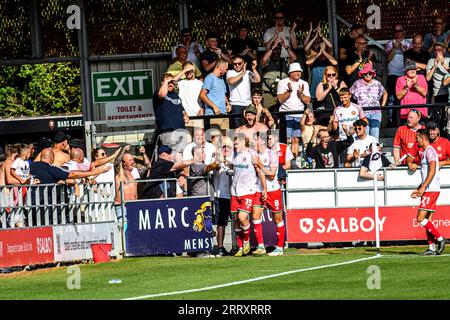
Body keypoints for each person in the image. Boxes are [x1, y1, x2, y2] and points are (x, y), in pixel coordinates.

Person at [409, 129, 446, 255]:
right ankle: (431, 248)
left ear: (423, 138)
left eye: (417, 138)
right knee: (427, 220)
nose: (416, 141)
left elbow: (432, 171)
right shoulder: (425, 152)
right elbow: (426, 174)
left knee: (420, 218)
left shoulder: (430, 151)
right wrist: (420, 188)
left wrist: (424, 187)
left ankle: (441, 239)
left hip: (431, 190)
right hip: (429, 189)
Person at [230, 136, 266, 257]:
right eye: (234, 144)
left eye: (237, 144)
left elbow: (260, 172)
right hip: (235, 192)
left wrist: (265, 189)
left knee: (242, 217)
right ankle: (240, 247)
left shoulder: (251, 155)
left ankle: (246, 240)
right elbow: (232, 169)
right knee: (236, 221)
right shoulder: (234, 156)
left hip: (248, 191)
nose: (235, 146)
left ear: (244, 143)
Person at [252, 133, 285, 256]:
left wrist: (260, 164)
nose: (254, 143)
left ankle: (280, 247)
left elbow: (271, 175)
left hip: (273, 190)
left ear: (262, 142)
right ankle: (261, 246)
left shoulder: (272, 155)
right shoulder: (254, 155)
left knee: (278, 219)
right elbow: (259, 173)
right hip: (259, 189)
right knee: (255, 216)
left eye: (255, 141)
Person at [277, 62, 311, 159]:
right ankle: (284, 161)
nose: (298, 73)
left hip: (299, 115)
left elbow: (308, 100)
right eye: (295, 71)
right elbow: (280, 99)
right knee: (285, 139)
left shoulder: (304, 83)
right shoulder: (282, 82)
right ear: (290, 72)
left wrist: (300, 94)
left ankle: (293, 161)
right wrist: (289, 92)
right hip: (285, 114)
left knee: (296, 139)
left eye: (299, 71)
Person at [113, 145, 151, 229]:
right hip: (122, 206)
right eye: (130, 160)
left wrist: (143, 153)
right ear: (123, 163)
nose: (133, 162)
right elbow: (116, 163)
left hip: (134, 205)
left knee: (135, 228)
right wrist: (123, 151)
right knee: (124, 228)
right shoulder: (120, 173)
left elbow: (148, 166)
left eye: (133, 159)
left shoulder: (135, 171)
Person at [349, 63, 387, 141]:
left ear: (372, 74)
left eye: (370, 73)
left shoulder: (377, 83)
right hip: (363, 112)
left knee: (375, 134)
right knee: (364, 134)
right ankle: (365, 153)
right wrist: (353, 107)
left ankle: (375, 152)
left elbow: (385, 93)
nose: (368, 75)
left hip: (376, 112)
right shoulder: (357, 83)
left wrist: (382, 106)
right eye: (365, 73)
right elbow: (349, 94)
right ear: (362, 74)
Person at [154, 73, 190, 152]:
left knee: (183, 156)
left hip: (181, 130)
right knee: (172, 158)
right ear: (162, 83)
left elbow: (181, 108)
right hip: (168, 131)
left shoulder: (176, 95)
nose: (170, 84)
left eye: (172, 82)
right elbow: (162, 95)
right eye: (168, 82)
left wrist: (185, 114)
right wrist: (166, 82)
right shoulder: (158, 92)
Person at [260, 35, 297, 109]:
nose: (277, 51)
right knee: (268, 115)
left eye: (279, 49)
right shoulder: (268, 61)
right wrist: (273, 46)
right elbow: (264, 59)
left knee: (282, 115)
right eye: (275, 49)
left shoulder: (284, 60)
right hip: (268, 94)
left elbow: (294, 58)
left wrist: (286, 47)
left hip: (282, 93)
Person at [304, 21, 338, 100]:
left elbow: (334, 61)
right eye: (316, 43)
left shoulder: (328, 54)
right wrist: (315, 37)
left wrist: (321, 36)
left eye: (320, 43)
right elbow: (307, 56)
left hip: (327, 82)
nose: (318, 45)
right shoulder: (312, 54)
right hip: (315, 83)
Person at [212, 136, 234, 256]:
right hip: (221, 195)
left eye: (228, 147)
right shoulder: (216, 159)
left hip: (235, 194)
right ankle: (220, 247)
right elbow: (215, 166)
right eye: (223, 147)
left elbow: (234, 167)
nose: (226, 149)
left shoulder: (234, 159)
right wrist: (220, 161)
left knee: (237, 221)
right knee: (221, 222)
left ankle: (237, 246)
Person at [226, 55, 261, 129]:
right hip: (236, 105)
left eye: (239, 63)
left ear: (244, 63)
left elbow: (257, 80)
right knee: (237, 130)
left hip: (248, 105)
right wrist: (243, 72)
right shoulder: (230, 72)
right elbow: (231, 82)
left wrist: (254, 69)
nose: (237, 65)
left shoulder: (248, 72)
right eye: (235, 64)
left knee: (249, 129)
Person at [385, 24, 412, 109]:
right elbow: (388, 59)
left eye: (399, 31)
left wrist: (402, 48)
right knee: (392, 98)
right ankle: (391, 121)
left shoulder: (409, 44)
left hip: (405, 74)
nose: (397, 33)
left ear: (403, 31)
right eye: (395, 31)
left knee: (404, 96)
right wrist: (394, 49)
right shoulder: (389, 44)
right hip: (392, 74)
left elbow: (410, 59)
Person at [200, 59, 232, 131]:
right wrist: (214, 107)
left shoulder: (221, 79)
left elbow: (223, 93)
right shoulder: (209, 78)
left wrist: (228, 103)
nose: (226, 71)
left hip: (224, 113)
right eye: (226, 69)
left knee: (226, 137)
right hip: (213, 114)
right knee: (214, 138)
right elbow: (202, 95)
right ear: (221, 68)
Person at [426, 42, 450, 134]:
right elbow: (428, 78)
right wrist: (434, 66)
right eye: (435, 50)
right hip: (437, 94)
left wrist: (444, 64)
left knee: (446, 118)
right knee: (438, 118)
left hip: (448, 93)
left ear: (444, 50)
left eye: (439, 50)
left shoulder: (448, 60)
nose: (437, 52)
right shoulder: (431, 61)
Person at [173, 61, 204, 130]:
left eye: (190, 70)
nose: (188, 72)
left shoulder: (200, 83)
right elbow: (173, 80)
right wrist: (185, 70)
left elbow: (204, 98)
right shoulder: (181, 82)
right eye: (186, 71)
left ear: (194, 69)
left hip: (198, 116)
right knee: (187, 139)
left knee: (198, 139)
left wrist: (203, 109)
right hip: (185, 117)